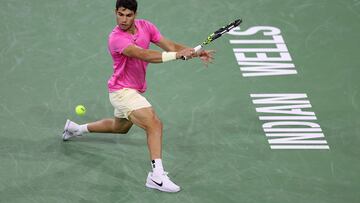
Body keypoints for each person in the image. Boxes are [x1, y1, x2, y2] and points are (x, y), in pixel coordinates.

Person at [62, 0, 214, 193]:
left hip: (133, 89)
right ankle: (157, 176)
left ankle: (75, 129)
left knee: (120, 127)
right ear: (115, 12)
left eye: (128, 15)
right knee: (154, 123)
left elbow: (170, 46)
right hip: (122, 91)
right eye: (120, 14)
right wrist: (177, 55)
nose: (123, 19)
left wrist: (195, 52)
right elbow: (144, 55)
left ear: (135, 14)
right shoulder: (116, 38)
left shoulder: (146, 27)